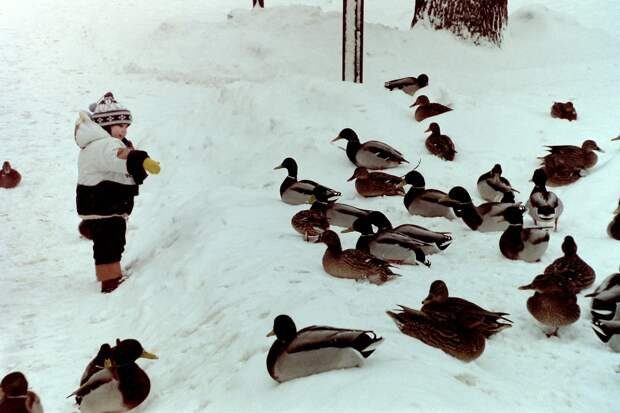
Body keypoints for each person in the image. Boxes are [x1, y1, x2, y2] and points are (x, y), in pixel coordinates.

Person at [74, 92, 160, 293]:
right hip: (104, 204)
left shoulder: (99, 144)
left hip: (99, 204)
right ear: (105, 125)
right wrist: (139, 159)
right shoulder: (105, 145)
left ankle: (91, 227)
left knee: (109, 237)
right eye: (119, 125)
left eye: (126, 126)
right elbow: (118, 159)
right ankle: (110, 280)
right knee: (111, 244)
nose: (124, 130)